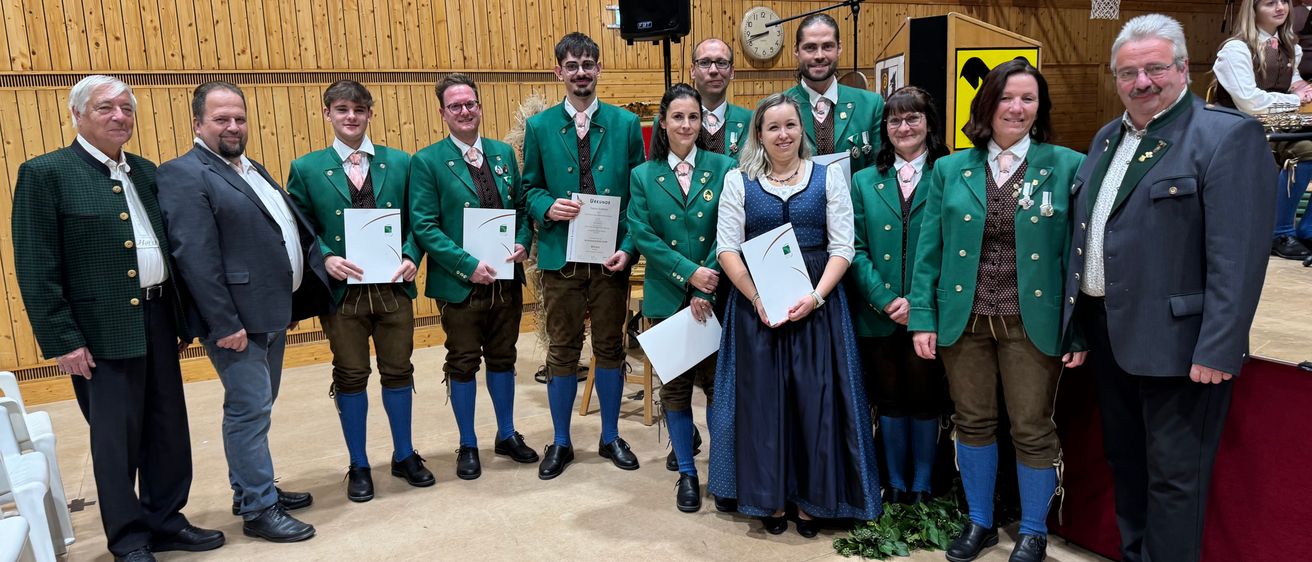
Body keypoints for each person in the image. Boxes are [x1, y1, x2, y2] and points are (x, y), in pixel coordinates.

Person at [1063, 14, 1275, 562]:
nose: (1142, 82)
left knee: (1176, 481)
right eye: (1129, 72)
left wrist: (1219, 345)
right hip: (1112, 339)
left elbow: (1239, 257)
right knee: (1126, 465)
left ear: (1183, 68)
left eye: (1155, 68)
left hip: (1183, 347)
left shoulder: (1227, 136)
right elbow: (1091, 236)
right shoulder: (1108, 137)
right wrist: (1081, 326)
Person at [11, 75, 224, 562]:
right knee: (116, 441)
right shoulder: (47, 173)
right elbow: (36, 265)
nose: (119, 116)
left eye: (127, 108)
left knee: (168, 429)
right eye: (106, 108)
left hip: (156, 319)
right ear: (77, 115)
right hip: (99, 333)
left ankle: (166, 520)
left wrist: (183, 320)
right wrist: (63, 338)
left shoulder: (146, 172)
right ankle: (128, 539)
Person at [907, 60, 1085, 562]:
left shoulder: (1067, 164)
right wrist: (922, 315)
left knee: (1031, 425)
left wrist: (1077, 331)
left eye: (1028, 98)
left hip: (1034, 323)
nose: (1017, 108)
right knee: (973, 421)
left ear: (1039, 108)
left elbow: (1077, 255)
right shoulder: (950, 169)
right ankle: (980, 522)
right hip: (964, 321)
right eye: (1007, 97)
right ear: (987, 104)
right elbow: (929, 250)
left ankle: (1032, 530)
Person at [157, 81, 333, 543]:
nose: (233, 126)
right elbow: (195, 256)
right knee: (249, 411)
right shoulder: (184, 173)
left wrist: (292, 298)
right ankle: (259, 509)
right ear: (198, 124)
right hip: (236, 323)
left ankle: (247, 489)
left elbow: (278, 234)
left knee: (257, 407)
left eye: (239, 118)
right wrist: (224, 324)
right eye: (221, 119)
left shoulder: (250, 167)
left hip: (270, 312)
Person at [707, 93, 881, 539]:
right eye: (773, 127)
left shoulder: (827, 178)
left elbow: (844, 247)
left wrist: (817, 297)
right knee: (763, 404)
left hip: (817, 306)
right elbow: (727, 247)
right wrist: (756, 297)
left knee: (815, 402)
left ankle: (812, 500)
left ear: (801, 129)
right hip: (757, 308)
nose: (783, 135)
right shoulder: (737, 181)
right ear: (759, 135)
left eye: (790, 125)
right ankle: (771, 496)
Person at [285, 79, 434, 502]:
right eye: (342, 109)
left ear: (370, 114)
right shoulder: (306, 168)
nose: (351, 117)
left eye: (359, 109)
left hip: (392, 289)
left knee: (399, 370)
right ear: (327, 114)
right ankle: (359, 464)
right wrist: (326, 258)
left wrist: (411, 254)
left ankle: (404, 455)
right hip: (343, 294)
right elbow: (300, 226)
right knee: (350, 375)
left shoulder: (401, 163)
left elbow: (418, 219)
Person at [522, 31, 647, 479]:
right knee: (562, 350)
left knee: (611, 347)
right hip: (560, 258)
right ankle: (560, 441)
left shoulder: (625, 124)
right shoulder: (538, 128)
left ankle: (611, 435)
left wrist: (630, 247)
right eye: (571, 65)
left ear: (599, 69)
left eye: (587, 64)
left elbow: (639, 192)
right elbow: (528, 188)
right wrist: (545, 206)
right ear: (559, 72)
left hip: (611, 258)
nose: (580, 73)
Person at [409, 73, 539, 480]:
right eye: (455, 106)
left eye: (470, 104)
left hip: (505, 279)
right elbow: (424, 225)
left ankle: (506, 433)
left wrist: (522, 243)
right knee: (463, 362)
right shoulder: (427, 161)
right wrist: (468, 265)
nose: (465, 112)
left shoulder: (502, 153)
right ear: (442, 113)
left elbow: (520, 210)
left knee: (504, 358)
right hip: (460, 284)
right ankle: (467, 442)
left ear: (480, 107)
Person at [626, 83, 737, 513]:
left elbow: (730, 227)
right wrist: (689, 274)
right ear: (663, 122)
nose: (687, 124)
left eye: (694, 117)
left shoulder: (724, 166)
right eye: (678, 117)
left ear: (703, 122)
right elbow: (642, 233)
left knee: (716, 390)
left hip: (716, 296)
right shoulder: (643, 175)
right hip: (666, 298)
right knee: (674, 392)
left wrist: (703, 283)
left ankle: (722, 473)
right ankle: (688, 474)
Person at [846, 86, 949, 507]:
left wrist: (919, 304)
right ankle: (894, 482)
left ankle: (922, 483)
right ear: (884, 128)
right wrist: (885, 299)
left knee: (925, 399)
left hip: (931, 312)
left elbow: (954, 245)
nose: (903, 127)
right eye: (895, 120)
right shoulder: (865, 180)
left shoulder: (950, 172)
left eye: (913, 119)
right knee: (887, 397)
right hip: (878, 312)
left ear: (929, 123)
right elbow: (852, 247)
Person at [1212, 0, 1312, 259]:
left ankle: (1307, 230)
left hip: (1273, 126)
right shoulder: (1235, 49)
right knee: (1298, 153)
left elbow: (1291, 81)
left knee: (1309, 149)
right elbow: (1250, 102)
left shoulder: (1291, 47)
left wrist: (1302, 87)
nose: (1280, 7)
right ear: (1253, 9)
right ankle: (1278, 233)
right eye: (1270, 3)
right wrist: (1294, 100)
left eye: (1284, 2)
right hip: (1236, 126)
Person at [782, 14, 884, 173]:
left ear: (839, 48)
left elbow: (879, 169)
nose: (819, 55)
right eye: (810, 47)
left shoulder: (871, 105)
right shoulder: (776, 108)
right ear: (796, 50)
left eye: (827, 46)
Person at [689, 38, 752, 158]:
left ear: (732, 72)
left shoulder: (750, 120)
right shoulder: (672, 122)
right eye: (704, 62)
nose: (713, 70)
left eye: (722, 63)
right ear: (693, 70)